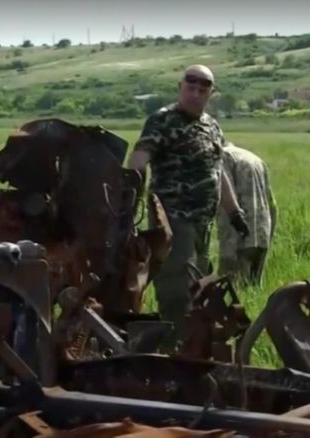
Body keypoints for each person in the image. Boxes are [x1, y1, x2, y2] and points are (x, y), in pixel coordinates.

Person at [126, 64, 249, 332]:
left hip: (203, 223)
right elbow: (138, 162)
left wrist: (235, 213)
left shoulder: (211, 126)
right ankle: (173, 345)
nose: (195, 94)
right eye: (190, 88)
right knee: (176, 288)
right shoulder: (162, 120)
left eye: (202, 90)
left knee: (199, 285)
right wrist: (125, 201)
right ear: (180, 88)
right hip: (173, 221)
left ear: (210, 94)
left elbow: (217, 172)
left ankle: (193, 342)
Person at [215, 142, 277, 285]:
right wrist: (269, 232)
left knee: (232, 287)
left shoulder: (223, 158)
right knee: (254, 286)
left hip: (236, 233)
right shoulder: (256, 159)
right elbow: (272, 204)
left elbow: (221, 193)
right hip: (262, 230)